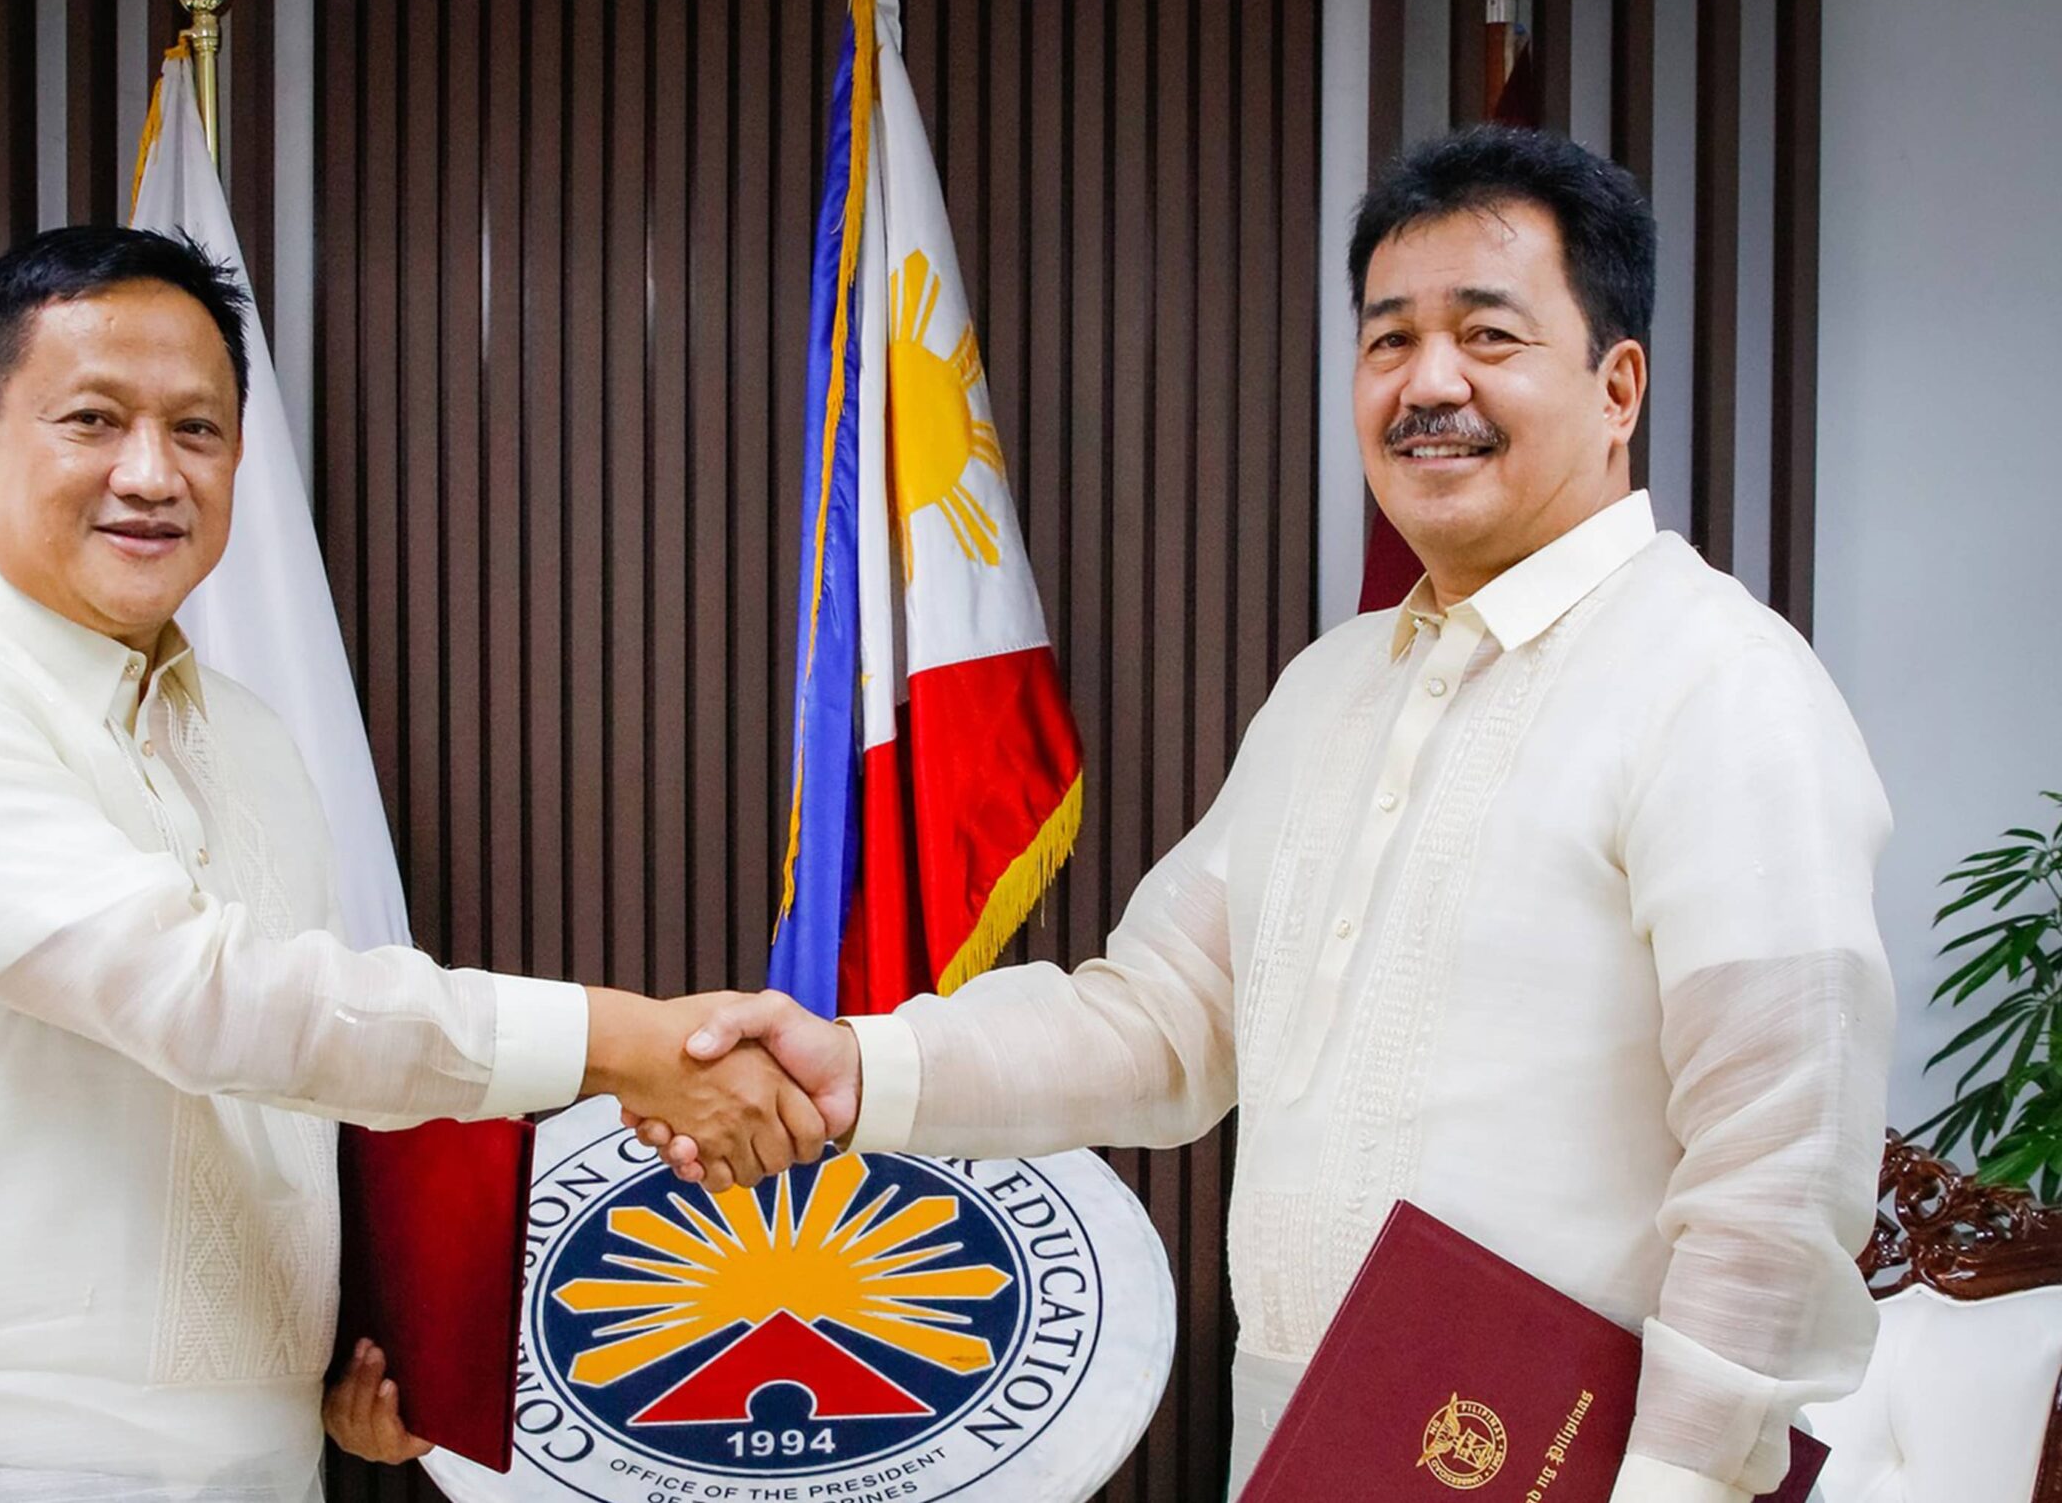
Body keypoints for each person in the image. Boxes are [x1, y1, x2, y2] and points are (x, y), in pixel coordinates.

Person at [648, 126, 1897, 1503]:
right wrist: (858, 1066)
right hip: (1307, 1439)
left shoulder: (1721, 682)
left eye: (1489, 334)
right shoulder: (1331, 685)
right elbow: (1163, 1015)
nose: (1429, 382)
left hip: (1578, 1467)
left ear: (1617, 386)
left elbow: (1782, 1167)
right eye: (1389, 338)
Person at [0, 226, 838, 1503]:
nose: (151, 474)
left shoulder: (256, 741)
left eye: (198, 431)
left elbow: (301, 1083)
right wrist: (622, 1042)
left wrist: (368, 1354)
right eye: (94, 420)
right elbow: (205, 1001)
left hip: (255, 1467)